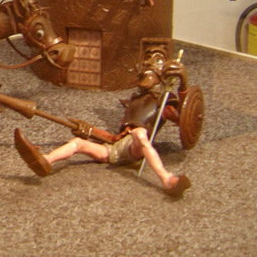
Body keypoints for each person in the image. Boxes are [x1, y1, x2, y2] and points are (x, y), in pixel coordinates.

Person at [14, 48, 192, 198]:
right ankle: (46, 160)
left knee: (140, 134)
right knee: (77, 144)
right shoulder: (135, 100)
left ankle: (166, 179)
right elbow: (115, 137)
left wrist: (183, 84)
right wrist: (90, 131)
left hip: (136, 148)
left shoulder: (164, 103)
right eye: (145, 64)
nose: (147, 68)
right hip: (117, 149)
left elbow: (186, 119)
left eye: (153, 65)